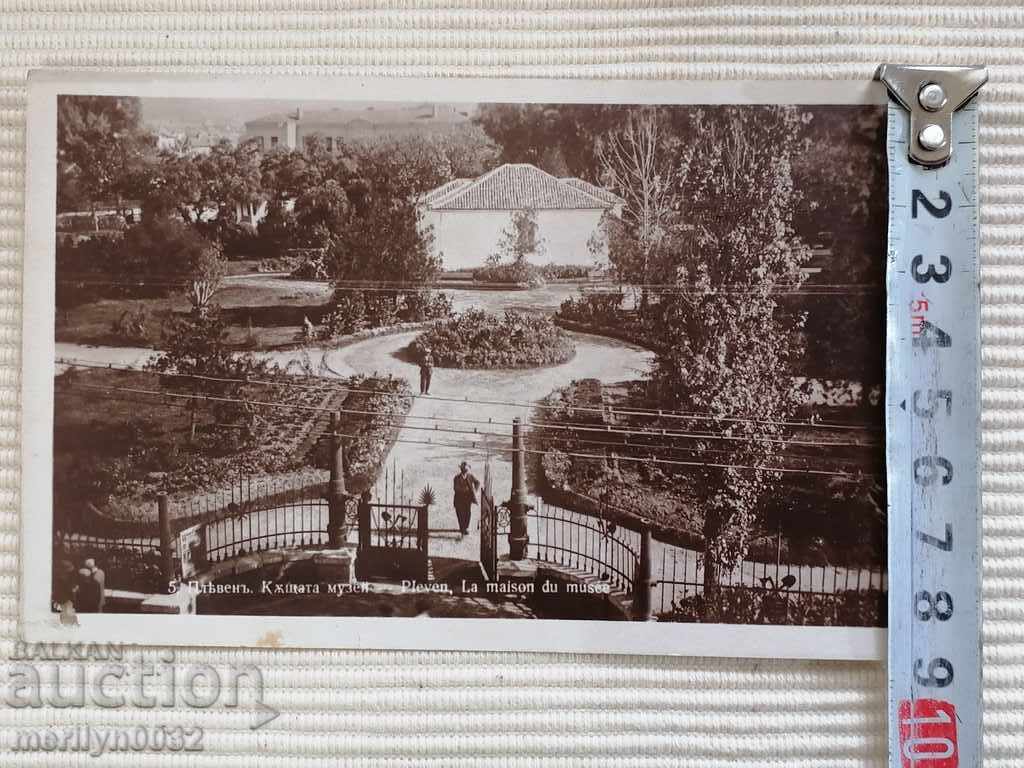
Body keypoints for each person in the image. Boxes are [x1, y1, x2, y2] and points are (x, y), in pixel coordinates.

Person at [452, 461, 481, 536]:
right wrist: (464, 489)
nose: (465, 471)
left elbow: (477, 482)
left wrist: (475, 490)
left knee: (467, 512)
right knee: (460, 513)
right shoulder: (456, 478)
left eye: (466, 469)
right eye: (463, 469)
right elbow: (455, 488)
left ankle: (466, 527)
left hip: (468, 498)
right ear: (461, 469)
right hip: (459, 498)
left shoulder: (470, 476)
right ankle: (462, 527)